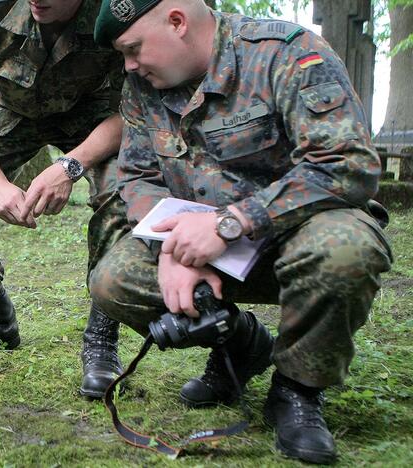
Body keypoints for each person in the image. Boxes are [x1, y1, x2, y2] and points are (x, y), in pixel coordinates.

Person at [91, 0, 393, 463]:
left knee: (345, 250)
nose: (129, 64)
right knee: (115, 281)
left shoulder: (285, 54)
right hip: (205, 243)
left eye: (133, 49)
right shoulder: (142, 87)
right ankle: (242, 343)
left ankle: (297, 391)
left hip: (301, 229)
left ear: (177, 22)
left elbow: (346, 165)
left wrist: (231, 223)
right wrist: (172, 246)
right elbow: (136, 177)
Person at [0, 0, 131, 398]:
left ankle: (102, 342)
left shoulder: (118, 8)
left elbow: (138, 108)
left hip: (95, 119)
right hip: (7, 110)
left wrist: (71, 166)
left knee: (123, 202)